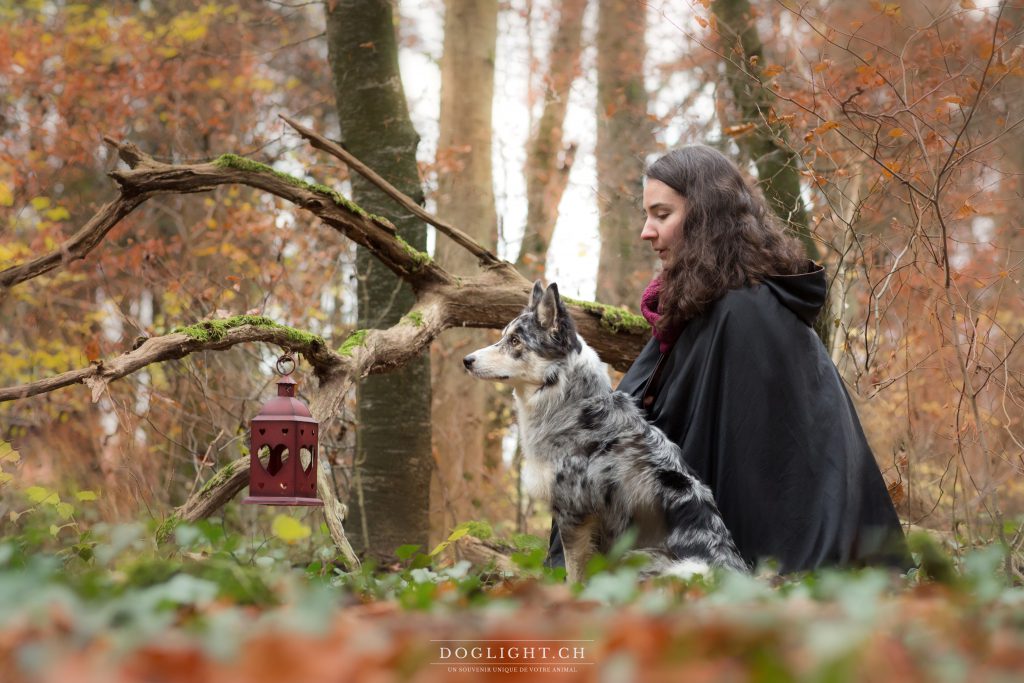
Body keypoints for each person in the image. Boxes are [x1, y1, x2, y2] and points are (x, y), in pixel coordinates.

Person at [545, 144, 911, 574]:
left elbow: (754, 475)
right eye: (648, 216)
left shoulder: (746, 314)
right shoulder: (700, 309)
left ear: (704, 217)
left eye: (662, 215)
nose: (647, 231)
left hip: (755, 580)